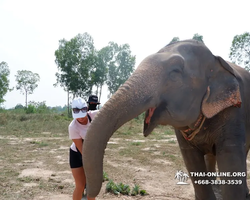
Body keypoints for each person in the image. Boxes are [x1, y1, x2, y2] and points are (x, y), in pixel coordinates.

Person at [68, 97, 98, 200]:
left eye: (82, 115)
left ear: (87, 110)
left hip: (91, 152)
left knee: (91, 187)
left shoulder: (94, 115)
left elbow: (109, 111)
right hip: (77, 154)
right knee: (80, 185)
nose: (80, 118)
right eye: (77, 116)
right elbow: (81, 150)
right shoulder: (73, 127)